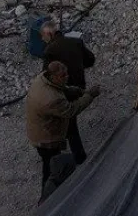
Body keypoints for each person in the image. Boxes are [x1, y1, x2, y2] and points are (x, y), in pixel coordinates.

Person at [25, 61, 100, 194]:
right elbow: (71, 110)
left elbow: (59, 88)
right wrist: (90, 95)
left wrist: (72, 90)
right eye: (63, 75)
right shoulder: (51, 99)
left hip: (39, 132)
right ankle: (48, 200)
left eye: (66, 73)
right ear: (54, 77)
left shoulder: (43, 78)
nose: (67, 77)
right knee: (51, 170)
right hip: (46, 139)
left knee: (52, 165)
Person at [41, 21, 96, 164]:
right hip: (80, 87)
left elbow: (45, 76)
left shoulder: (50, 51)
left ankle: (79, 158)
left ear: (49, 34)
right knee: (69, 120)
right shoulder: (76, 41)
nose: (42, 40)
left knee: (69, 124)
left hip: (64, 91)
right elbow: (91, 60)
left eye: (43, 36)